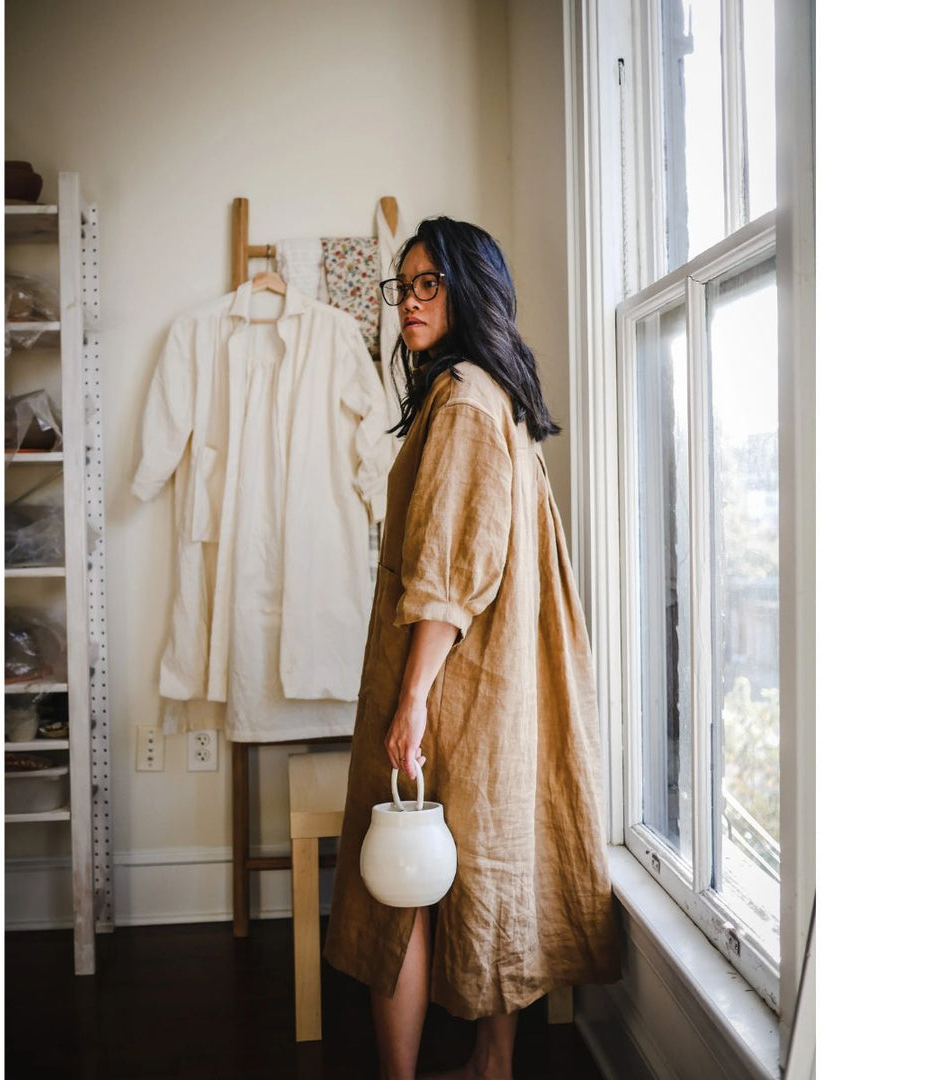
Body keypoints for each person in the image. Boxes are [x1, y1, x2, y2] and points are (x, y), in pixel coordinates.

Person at [324, 217, 621, 1080]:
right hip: (504, 685)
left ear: (467, 292)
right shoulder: (497, 396)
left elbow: (452, 575)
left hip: (455, 680)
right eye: (404, 286)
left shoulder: (459, 400)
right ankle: (493, 1064)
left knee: (398, 889)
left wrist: (412, 699)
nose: (411, 303)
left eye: (430, 285)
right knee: (490, 869)